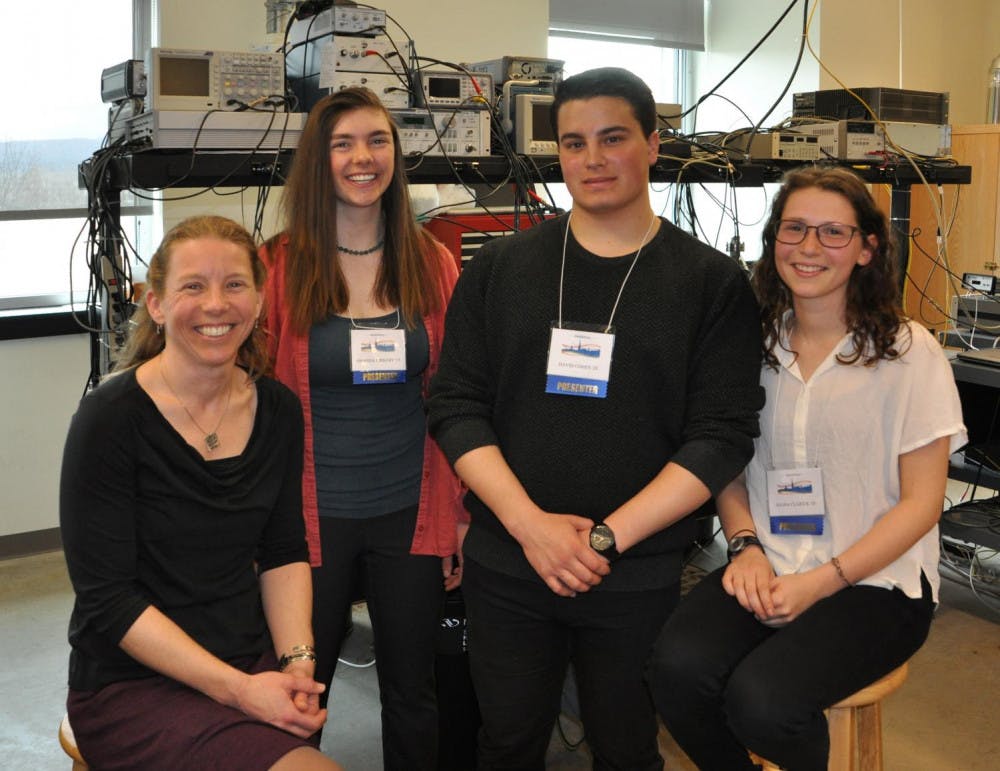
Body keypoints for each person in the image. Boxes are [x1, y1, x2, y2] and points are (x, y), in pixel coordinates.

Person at [425, 67, 764, 770]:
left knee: (626, 748)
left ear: (653, 143)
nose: (593, 159)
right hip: (510, 561)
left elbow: (721, 434)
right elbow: (456, 405)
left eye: (613, 138)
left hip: (636, 573)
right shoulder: (502, 268)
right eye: (574, 143)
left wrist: (605, 539)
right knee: (507, 741)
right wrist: (532, 529)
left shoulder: (710, 283)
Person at [647, 166, 968, 770]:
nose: (810, 248)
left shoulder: (909, 353)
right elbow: (729, 460)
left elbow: (923, 504)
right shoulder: (751, 343)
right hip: (766, 563)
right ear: (774, 241)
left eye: (832, 233)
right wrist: (744, 547)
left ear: (868, 248)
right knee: (674, 670)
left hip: (875, 585)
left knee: (763, 702)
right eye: (794, 229)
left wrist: (820, 584)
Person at [60, 215, 342, 771]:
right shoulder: (110, 419)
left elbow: (284, 550)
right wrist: (239, 690)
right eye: (193, 285)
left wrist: (298, 664)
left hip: (244, 659)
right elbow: (108, 601)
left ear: (259, 301)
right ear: (157, 304)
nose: (217, 304)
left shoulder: (279, 409)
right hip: (131, 682)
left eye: (235, 284)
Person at [260, 86, 466, 769]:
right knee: (302, 691)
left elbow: (457, 395)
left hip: (411, 509)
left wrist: (460, 512)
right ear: (318, 160)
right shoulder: (281, 266)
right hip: (307, 517)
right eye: (342, 143)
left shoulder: (429, 261)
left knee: (414, 689)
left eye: (377, 140)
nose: (362, 157)